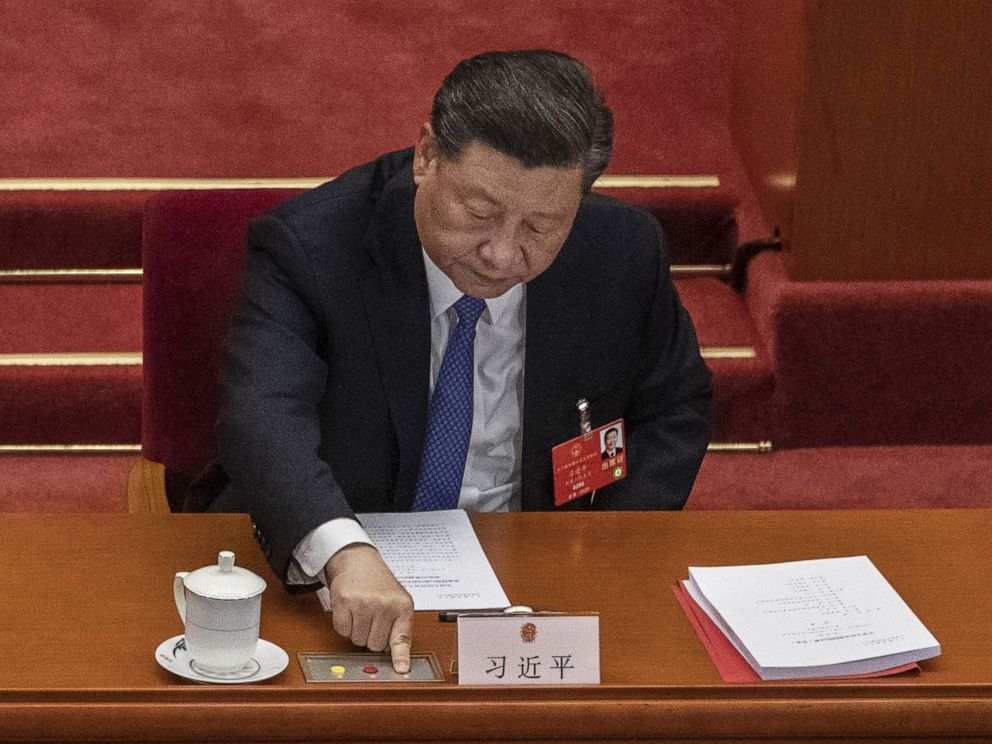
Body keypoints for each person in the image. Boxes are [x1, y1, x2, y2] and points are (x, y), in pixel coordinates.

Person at [191, 49, 712, 674]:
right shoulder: (311, 246)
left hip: (535, 565)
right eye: (480, 212)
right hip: (348, 562)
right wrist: (342, 549)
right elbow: (260, 416)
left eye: (539, 228)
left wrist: (606, 551)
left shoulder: (622, 251)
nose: (500, 254)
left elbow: (674, 407)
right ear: (427, 155)